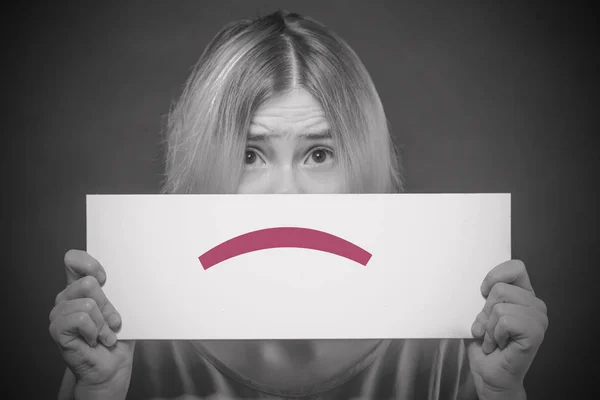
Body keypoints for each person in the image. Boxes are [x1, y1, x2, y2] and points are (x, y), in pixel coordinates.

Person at [49, 10, 548, 400]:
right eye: (250, 155)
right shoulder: (134, 343)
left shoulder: (445, 345)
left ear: (360, 164)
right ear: (206, 162)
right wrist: (97, 393)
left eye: (318, 154)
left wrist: (500, 393)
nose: (286, 193)